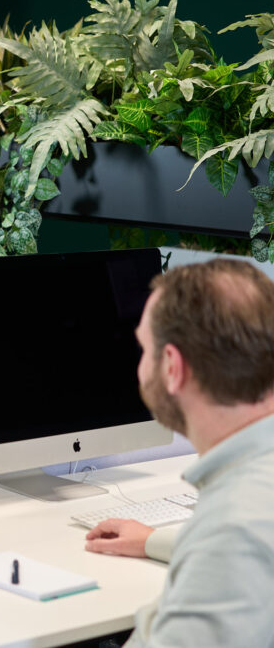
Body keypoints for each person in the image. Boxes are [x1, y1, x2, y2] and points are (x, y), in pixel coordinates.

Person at [83, 259, 274, 646]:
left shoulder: (234, 531)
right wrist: (155, 540)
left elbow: (234, 549)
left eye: (143, 349)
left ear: (172, 366)